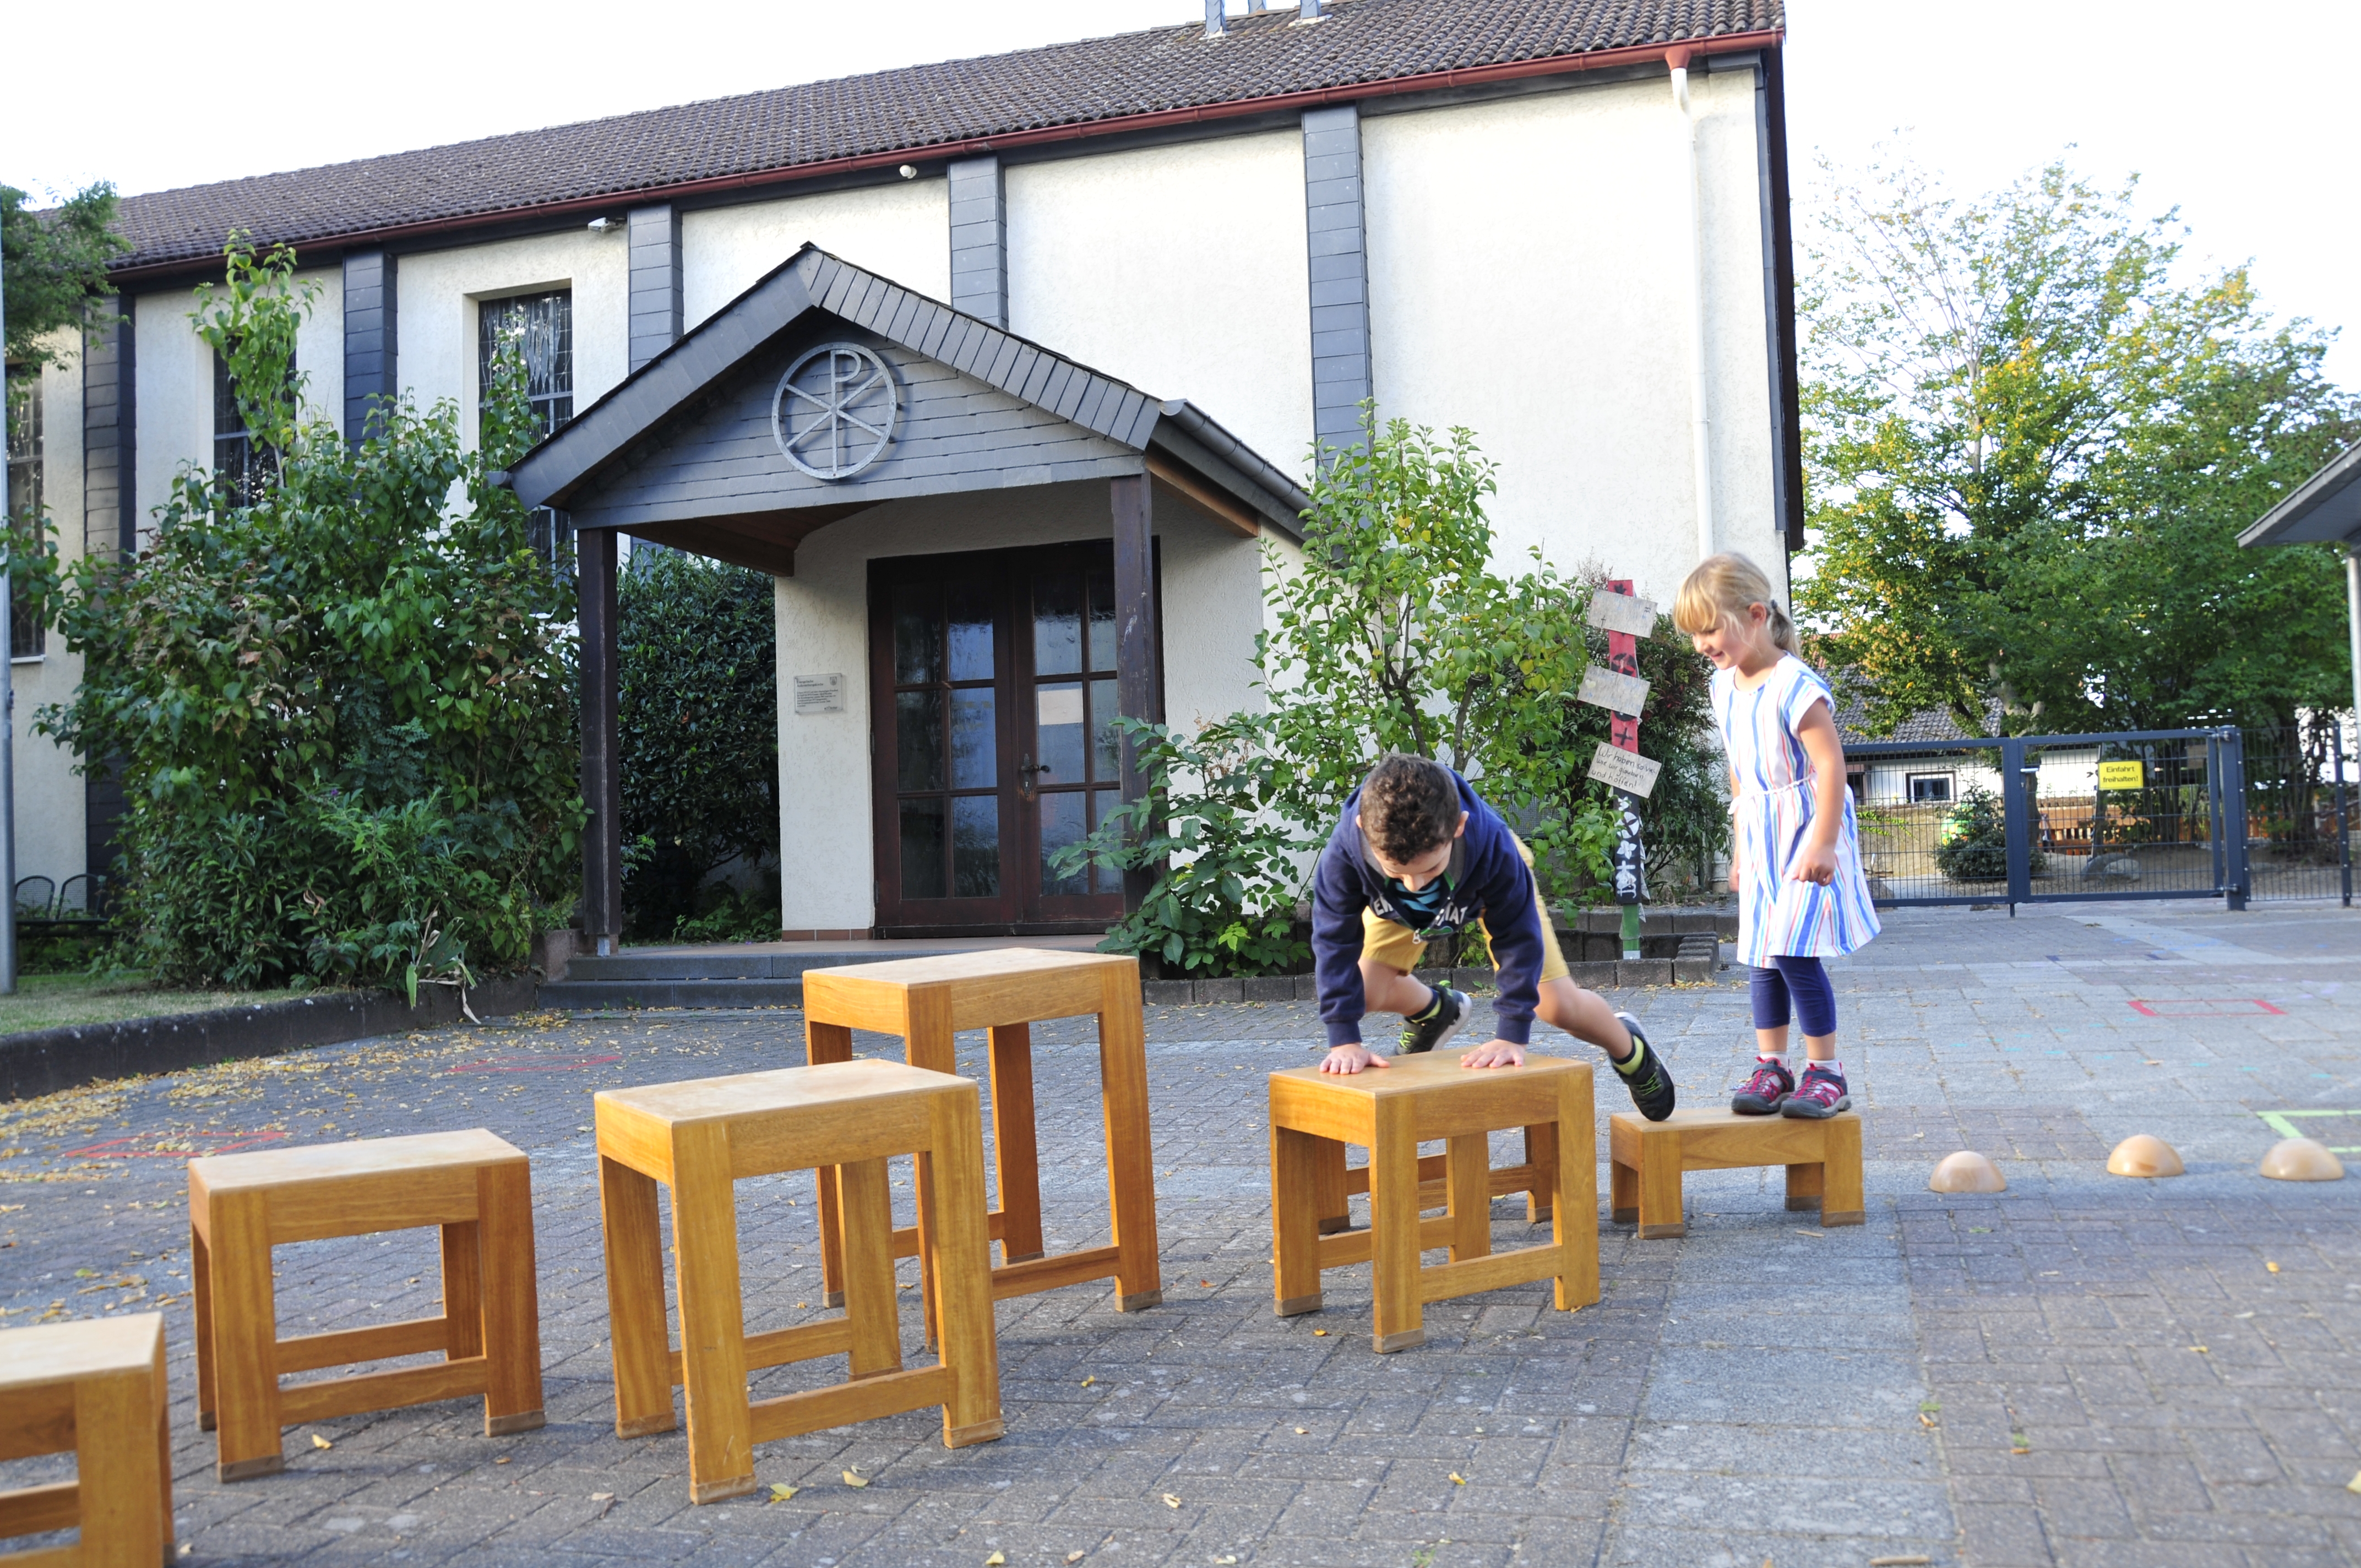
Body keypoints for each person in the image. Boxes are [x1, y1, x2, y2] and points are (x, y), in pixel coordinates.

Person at [1309, 753, 1677, 1121]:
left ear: (1458, 825)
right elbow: (1334, 942)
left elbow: (1518, 939)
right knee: (1363, 992)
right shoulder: (1345, 853)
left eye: (1431, 870)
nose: (1416, 885)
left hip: (1482, 888)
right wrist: (1344, 1040)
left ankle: (1631, 1051)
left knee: (1555, 1006)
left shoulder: (1494, 848)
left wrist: (1511, 1033)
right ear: (1363, 829)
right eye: (1398, 873)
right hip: (1390, 908)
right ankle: (1436, 1012)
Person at [1673, 552, 1880, 1118]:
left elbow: (1831, 767)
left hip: (1809, 827)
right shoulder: (1723, 687)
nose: (1701, 644)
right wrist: (1740, 847)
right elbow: (1740, 772)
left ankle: (1827, 1073)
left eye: (1709, 629)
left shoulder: (1795, 684)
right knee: (1762, 954)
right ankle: (1773, 1065)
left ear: (1756, 615)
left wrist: (1822, 842)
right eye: (1694, 634)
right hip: (1761, 833)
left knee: (1793, 951)